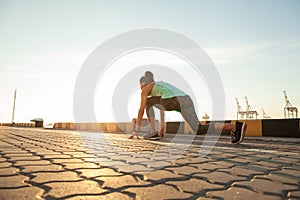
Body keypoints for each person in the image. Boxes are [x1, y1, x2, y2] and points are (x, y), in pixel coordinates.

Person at [131, 71, 247, 144]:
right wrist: (161, 131)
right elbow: (162, 111)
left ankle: (152, 132)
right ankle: (234, 127)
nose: (142, 91)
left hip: (174, 100)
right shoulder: (161, 86)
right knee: (199, 129)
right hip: (186, 100)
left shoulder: (146, 88)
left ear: (143, 84)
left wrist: (136, 130)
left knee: (147, 103)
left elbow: (141, 110)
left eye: (141, 87)